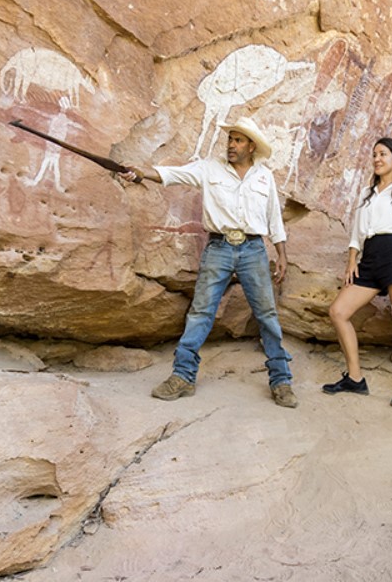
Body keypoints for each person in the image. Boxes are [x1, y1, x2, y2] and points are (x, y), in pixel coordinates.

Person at [120, 116, 297, 409]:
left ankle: (281, 380)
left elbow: (274, 219)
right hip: (219, 247)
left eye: (238, 140)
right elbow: (173, 174)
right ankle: (183, 376)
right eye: (230, 139)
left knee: (266, 314)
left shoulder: (264, 177)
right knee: (201, 312)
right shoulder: (209, 168)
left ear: (251, 146)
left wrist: (282, 254)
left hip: (253, 249)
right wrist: (141, 173)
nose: (231, 144)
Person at [321, 137, 392, 409]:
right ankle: (355, 378)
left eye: (383, 154)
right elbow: (357, 231)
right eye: (374, 154)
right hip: (371, 255)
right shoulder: (368, 193)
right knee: (338, 312)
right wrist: (352, 260)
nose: (377, 159)